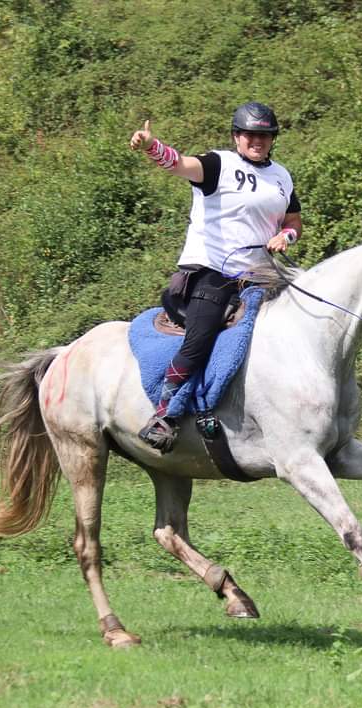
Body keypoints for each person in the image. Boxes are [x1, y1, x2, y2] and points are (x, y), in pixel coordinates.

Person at [129, 101, 303, 452]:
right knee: (200, 339)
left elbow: (293, 219)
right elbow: (178, 164)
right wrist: (152, 147)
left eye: (265, 136)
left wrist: (286, 236)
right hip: (213, 271)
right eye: (250, 134)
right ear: (237, 136)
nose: (258, 141)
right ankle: (165, 414)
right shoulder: (218, 164)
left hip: (262, 276)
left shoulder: (282, 176)